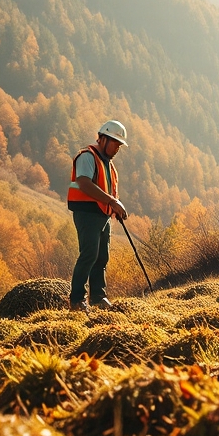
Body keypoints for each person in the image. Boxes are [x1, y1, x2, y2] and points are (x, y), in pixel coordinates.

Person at [67, 120, 129, 312]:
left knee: (101, 257)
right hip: (87, 213)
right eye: (115, 143)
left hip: (102, 215)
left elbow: (107, 191)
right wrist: (112, 202)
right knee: (89, 255)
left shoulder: (108, 164)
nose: (117, 148)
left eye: (120, 145)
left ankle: (98, 298)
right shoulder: (87, 156)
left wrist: (114, 207)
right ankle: (77, 300)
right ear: (103, 139)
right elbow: (84, 183)